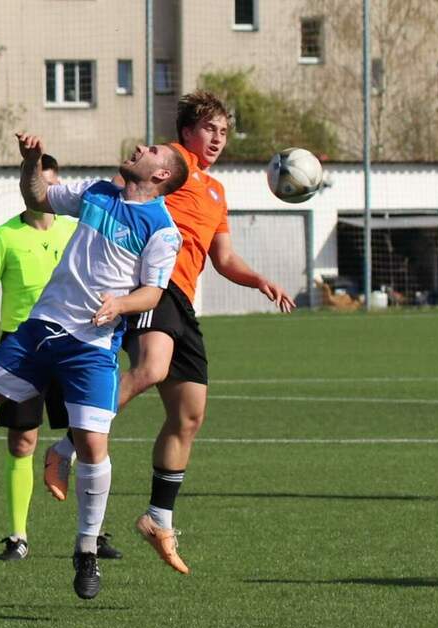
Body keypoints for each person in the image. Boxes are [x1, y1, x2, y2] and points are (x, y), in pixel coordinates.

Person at [0, 132, 188, 601]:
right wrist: (31, 162)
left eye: (152, 151)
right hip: (41, 329)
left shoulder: (162, 229)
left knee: (92, 446)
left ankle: (86, 550)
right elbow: (37, 196)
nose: (140, 148)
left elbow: (153, 292)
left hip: (92, 345)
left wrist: (120, 305)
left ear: (161, 174)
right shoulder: (97, 192)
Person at [44, 90, 296, 575]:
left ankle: (158, 518)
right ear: (186, 132)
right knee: (151, 369)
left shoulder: (216, 191)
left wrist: (259, 280)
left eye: (224, 132)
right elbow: (122, 190)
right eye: (209, 129)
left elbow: (223, 258)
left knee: (189, 414)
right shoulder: (169, 164)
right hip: (152, 290)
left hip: (184, 303)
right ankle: (64, 449)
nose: (217, 139)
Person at [0, 153, 120, 561]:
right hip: (24, 344)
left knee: (91, 439)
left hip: (77, 343)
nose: (48, 194)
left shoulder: (76, 228)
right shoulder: (4, 235)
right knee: (22, 440)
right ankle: (17, 536)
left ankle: (94, 534)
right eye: (42, 185)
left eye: (53, 186)